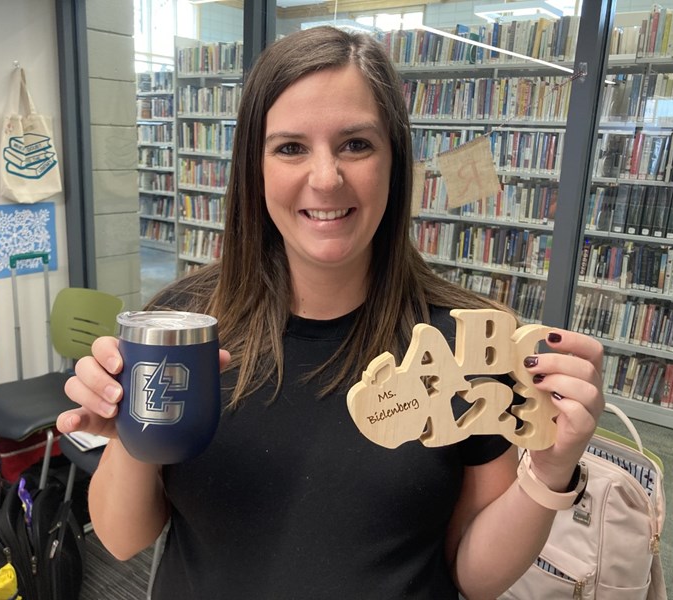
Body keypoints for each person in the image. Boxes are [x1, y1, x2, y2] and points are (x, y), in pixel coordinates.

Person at [58, 25, 604, 599]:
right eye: (290, 147)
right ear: (255, 167)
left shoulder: (468, 344)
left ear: (395, 160)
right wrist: (128, 427)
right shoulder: (182, 329)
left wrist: (549, 472)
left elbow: (473, 575)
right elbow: (123, 539)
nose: (325, 178)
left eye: (356, 144)